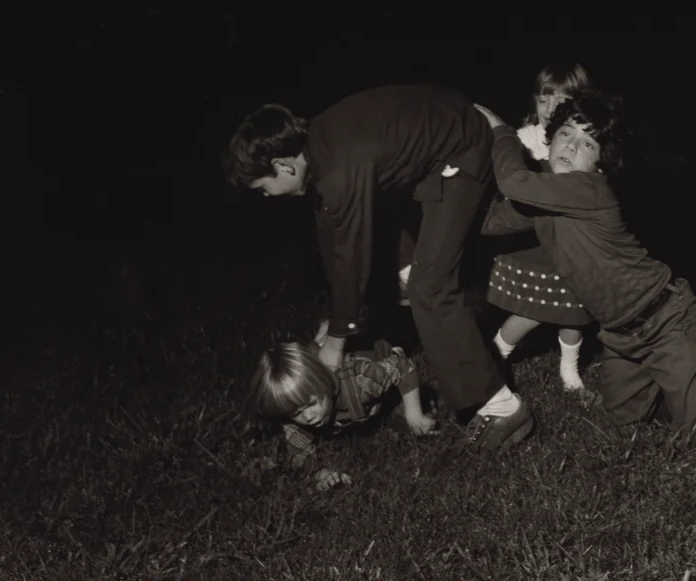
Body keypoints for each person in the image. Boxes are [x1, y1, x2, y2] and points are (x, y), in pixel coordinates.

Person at [474, 90, 696, 445]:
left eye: (587, 144)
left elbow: (513, 182)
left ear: (600, 163)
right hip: (620, 335)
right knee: (616, 427)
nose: (570, 146)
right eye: (567, 134)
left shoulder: (590, 190)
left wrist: (501, 132)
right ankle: (674, 392)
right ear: (551, 139)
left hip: (667, 322)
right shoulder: (543, 198)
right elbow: (488, 222)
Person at [222, 85, 535, 450]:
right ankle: (414, 324)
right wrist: (337, 320)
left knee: (429, 287)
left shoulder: (340, 167)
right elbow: (333, 238)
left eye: (262, 188)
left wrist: (337, 341)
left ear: (282, 166)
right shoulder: (319, 151)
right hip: (429, 158)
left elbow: (351, 251)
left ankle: (504, 408)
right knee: (406, 277)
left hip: (463, 149)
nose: (266, 197)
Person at [483, 62, 597, 391]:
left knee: (575, 307)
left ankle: (569, 368)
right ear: (534, 101)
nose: (551, 109)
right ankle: (496, 355)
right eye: (544, 99)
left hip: (571, 243)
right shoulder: (522, 139)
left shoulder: (584, 139)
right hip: (532, 244)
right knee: (532, 310)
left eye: (562, 101)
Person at [247, 340, 435, 490]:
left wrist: (415, 415)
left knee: (402, 417)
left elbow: (403, 368)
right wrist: (321, 473)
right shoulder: (296, 420)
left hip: (377, 371)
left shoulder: (361, 382)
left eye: (311, 403)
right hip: (362, 407)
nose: (308, 416)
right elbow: (299, 452)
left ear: (324, 381)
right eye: (295, 413)